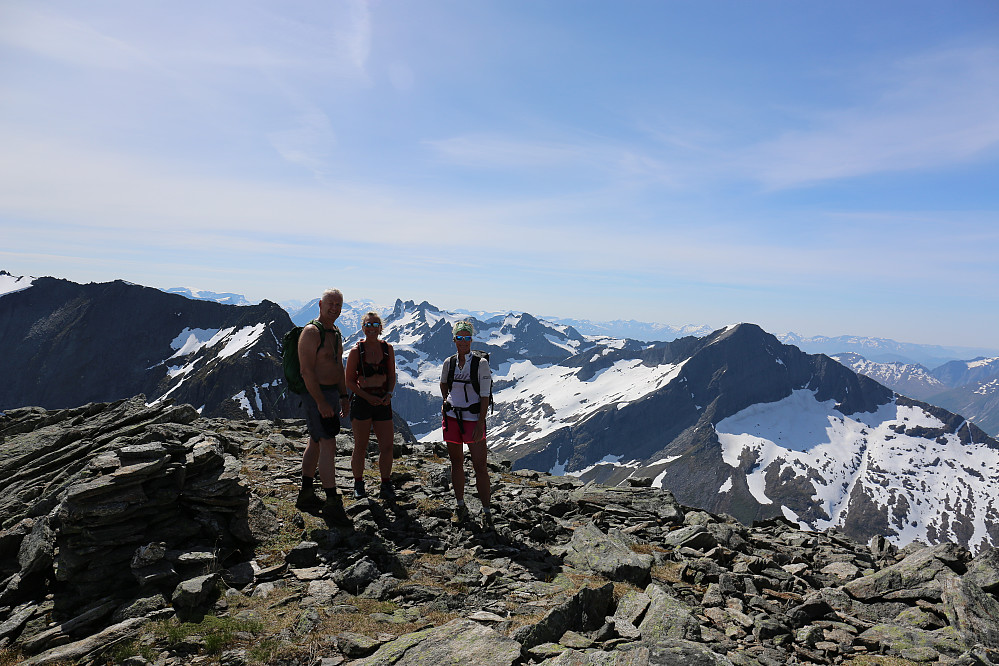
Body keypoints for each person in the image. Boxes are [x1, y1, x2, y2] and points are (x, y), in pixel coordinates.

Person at [295, 288, 351, 526]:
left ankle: (306, 493)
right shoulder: (311, 333)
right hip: (315, 394)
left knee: (316, 442)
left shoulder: (335, 332)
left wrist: (343, 395)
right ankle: (331, 501)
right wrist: (320, 402)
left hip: (329, 393)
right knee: (329, 443)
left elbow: (338, 365)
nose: (334, 308)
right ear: (320, 304)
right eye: (330, 303)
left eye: (338, 304)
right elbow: (306, 371)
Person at [440, 320, 493, 524]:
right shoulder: (449, 363)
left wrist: (481, 421)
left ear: (472, 339)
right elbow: (444, 383)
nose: (464, 341)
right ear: (454, 340)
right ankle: (460, 504)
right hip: (452, 417)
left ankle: (486, 510)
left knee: (480, 466)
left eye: (467, 337)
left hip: (473, 420)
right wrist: (446, 401)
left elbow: (485, 394)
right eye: (460, 337)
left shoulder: (481, 364)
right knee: (456, 463)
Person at [345, 311, 397, 501]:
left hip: (382, 401)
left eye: (375, 325)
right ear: (363, 328)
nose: (372, 328)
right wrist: (367, 397)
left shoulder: (387, 349)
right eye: (368, 325)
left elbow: (392, 376)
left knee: (387, 446)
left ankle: (385, 483)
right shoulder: (355, 351)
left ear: (381, 328)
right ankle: (358, 483)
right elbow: (349, 381)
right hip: (362, 402)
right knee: (360, 446)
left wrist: (389, 394)